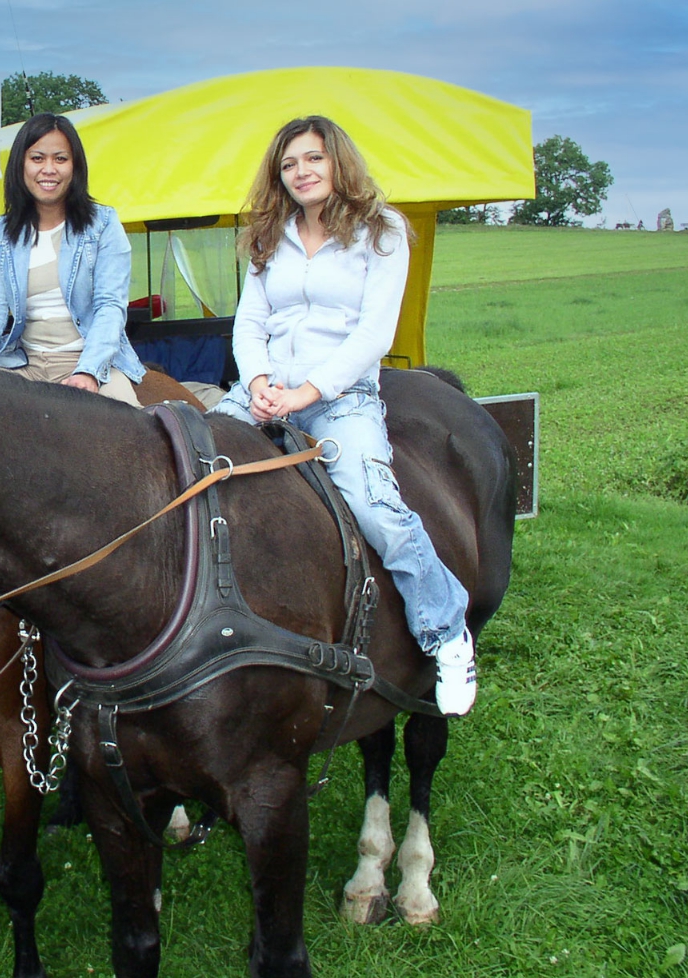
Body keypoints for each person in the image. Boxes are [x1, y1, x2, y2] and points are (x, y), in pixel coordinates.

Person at [209, 115, 477, 715]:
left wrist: (304, 394)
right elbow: (250, 322)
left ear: (338, 162)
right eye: (289, 164)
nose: (301, 172)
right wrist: (256, 382)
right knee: (187, 464)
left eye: (313, 159)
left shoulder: (381, 232)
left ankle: (446, 634)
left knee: (376, 506)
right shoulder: (266, 233)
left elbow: (373, 335)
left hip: (339, 396)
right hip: (262, 387)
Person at [0, 113, 145, 407]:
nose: (48, 169)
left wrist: (88, 372)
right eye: (37, 158)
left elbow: (111, 307)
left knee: (132, 431)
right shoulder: (3, 232)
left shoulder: (104, 224)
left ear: (75, 166)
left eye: (60, 159)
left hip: (89, 363)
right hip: (22, 364)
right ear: (21, 165)